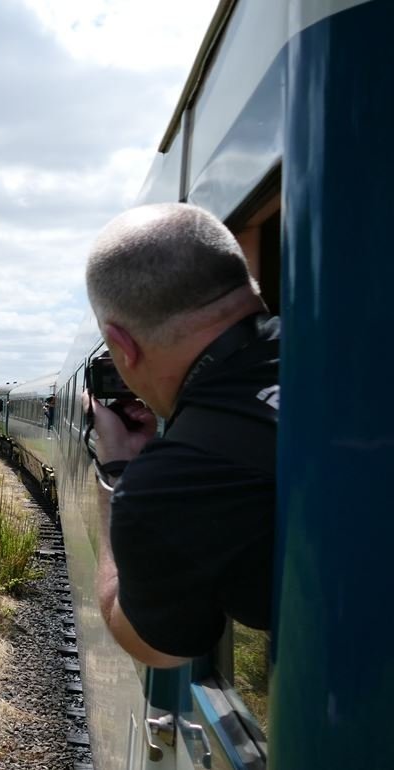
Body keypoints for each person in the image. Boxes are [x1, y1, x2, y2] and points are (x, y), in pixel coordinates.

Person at [82, 203, 278, 669]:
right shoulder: (354, 347)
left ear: (123, 345)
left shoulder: (175, 484)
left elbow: (154, 646)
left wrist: (117, 475)